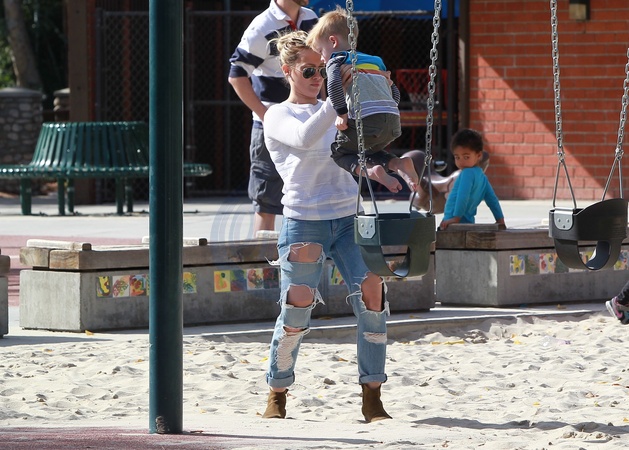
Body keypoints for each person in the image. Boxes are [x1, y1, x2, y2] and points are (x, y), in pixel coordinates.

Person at [261, 30, 391, 423]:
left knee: (373, 297)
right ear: (287, 71)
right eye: (309, 70)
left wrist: (377, 89)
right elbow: (303, 138)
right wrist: (338, 100)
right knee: (296, 309)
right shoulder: (278, 115)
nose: (318, 77)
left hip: (348, 217)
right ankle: (277, 391)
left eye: (323, 70)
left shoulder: (336, 107)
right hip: (304, 222)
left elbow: (365, 144)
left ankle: (372, 393)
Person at [228, 1, 318, 236]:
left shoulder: (311, 18)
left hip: (309, 123)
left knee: (312, 195)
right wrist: (267, 117)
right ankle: (262, 259)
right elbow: (237, 75)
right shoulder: (262, 26)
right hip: (272, 128)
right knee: (266, 202)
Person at [305, 6, 419, 194]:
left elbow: (333, 85)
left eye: (320, 51)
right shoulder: (376, 61)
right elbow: (394, 94)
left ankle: (372, 172)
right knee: (370, 151)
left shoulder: (337, 59)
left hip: (367, 120)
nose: (322, 60)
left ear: (333, 41)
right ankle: (398, 163)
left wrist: (342, 113)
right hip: (392, 122)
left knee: (340, 152)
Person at [439, 128, 506, 230]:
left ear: (479, 155)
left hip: (453, 223)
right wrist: (500, 219)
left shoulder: (467, 173)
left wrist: (456, 218)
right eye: (457, 157)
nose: (461, 162)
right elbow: (492, 200)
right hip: (468, 223)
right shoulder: (482, 177)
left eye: (466, 157)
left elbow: (463, 196)